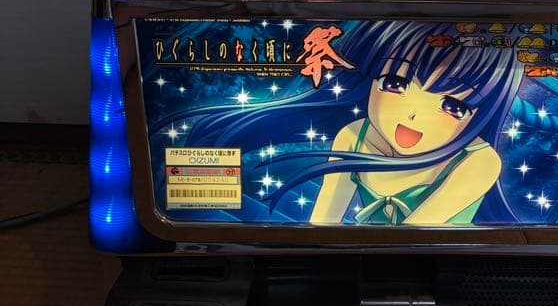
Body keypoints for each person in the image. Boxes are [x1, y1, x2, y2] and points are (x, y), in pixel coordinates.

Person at [183, 22, 524, 226]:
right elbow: (323, 224)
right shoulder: (354, 136)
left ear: (480, 115)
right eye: (395, 84)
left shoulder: (479, 162)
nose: (414, 115)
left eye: (453, 105)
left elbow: (415, 238)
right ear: (369, 81)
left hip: (451, 269)